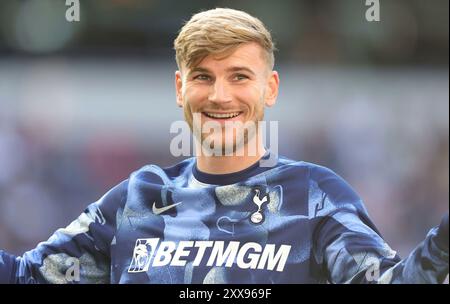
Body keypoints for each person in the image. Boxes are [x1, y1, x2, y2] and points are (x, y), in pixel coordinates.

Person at [0, 8, 448, 284]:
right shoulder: (135, 200)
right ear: (180, 88)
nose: (219, 96)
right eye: (202, 77)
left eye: (239, 76)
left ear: (270, 88)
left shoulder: (313, 196)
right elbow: (25, 276)